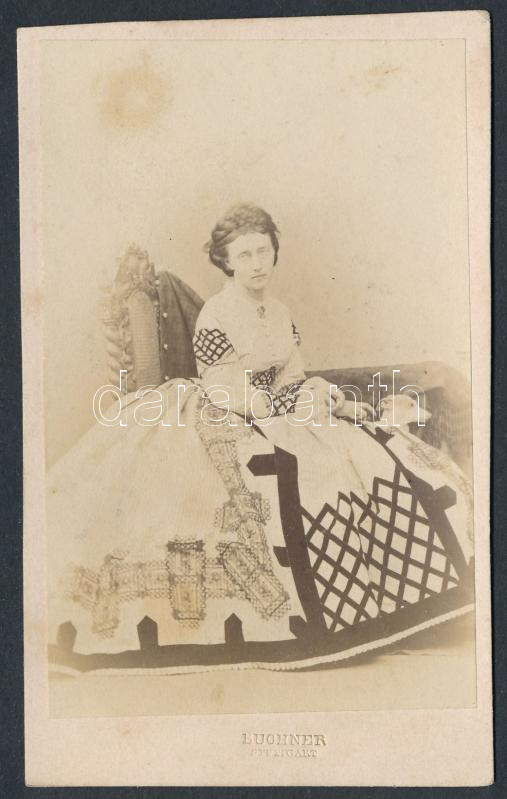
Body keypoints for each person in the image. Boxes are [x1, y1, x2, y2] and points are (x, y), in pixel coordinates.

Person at [47, 203, 474, 674]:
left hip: (280, 407)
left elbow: (292, 374)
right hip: (234, 412)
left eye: (263, 251)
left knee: (371, 449)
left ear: (274, 252)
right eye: (244, 255)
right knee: (303, 470)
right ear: (226, 262)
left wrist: (320, 399)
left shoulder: (280, 311)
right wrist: (288, 403)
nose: (256, 264)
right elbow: (224, 390)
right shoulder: (217, 315)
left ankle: (405, 594)